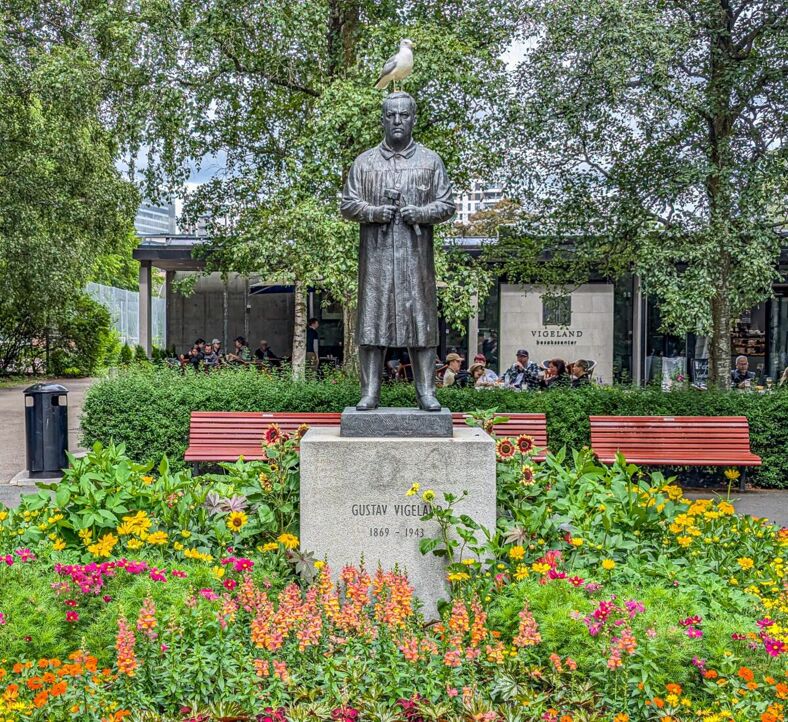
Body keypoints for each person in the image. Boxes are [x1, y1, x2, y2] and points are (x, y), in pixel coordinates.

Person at [340, 91, 455, 411]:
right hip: (376, 261)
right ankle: (370, 393)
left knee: (421, 323)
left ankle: (426, 392)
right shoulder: (364, 163)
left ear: (413, 118)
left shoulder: (430, 162)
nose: (397, 121)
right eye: (391, 115)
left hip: (415, 260)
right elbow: (348, 204)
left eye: (403, 115)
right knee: (372, 323)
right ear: (382, 120)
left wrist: (421, 213)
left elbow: (446, 205)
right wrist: (373, 212)